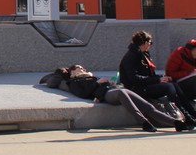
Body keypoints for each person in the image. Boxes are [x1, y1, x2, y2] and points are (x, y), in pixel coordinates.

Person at [56, 64, 191, 132]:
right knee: (121, 93)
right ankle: (143, 122)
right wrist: (98, 83)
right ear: (72, 73)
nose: (82, 69)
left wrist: (110, 82)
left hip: (114, 89)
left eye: (82, 67)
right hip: (106, 95)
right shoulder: (73, 82)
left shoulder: (91, 77)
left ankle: (176, 123)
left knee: (146, 105)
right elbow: (83, 94)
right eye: (79, 68)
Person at [118, 30, 196, 127]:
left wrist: (162, 78)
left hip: (146, 85)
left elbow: (149, 75)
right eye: (150, 42)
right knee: (169, 87)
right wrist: (157, 80)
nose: (151, 45)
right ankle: (186, 116)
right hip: (136, 90)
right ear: (145, 43)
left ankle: (191, 114)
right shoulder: (131, 56)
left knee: (174, 85)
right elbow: (134, 79)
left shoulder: (143, 54)